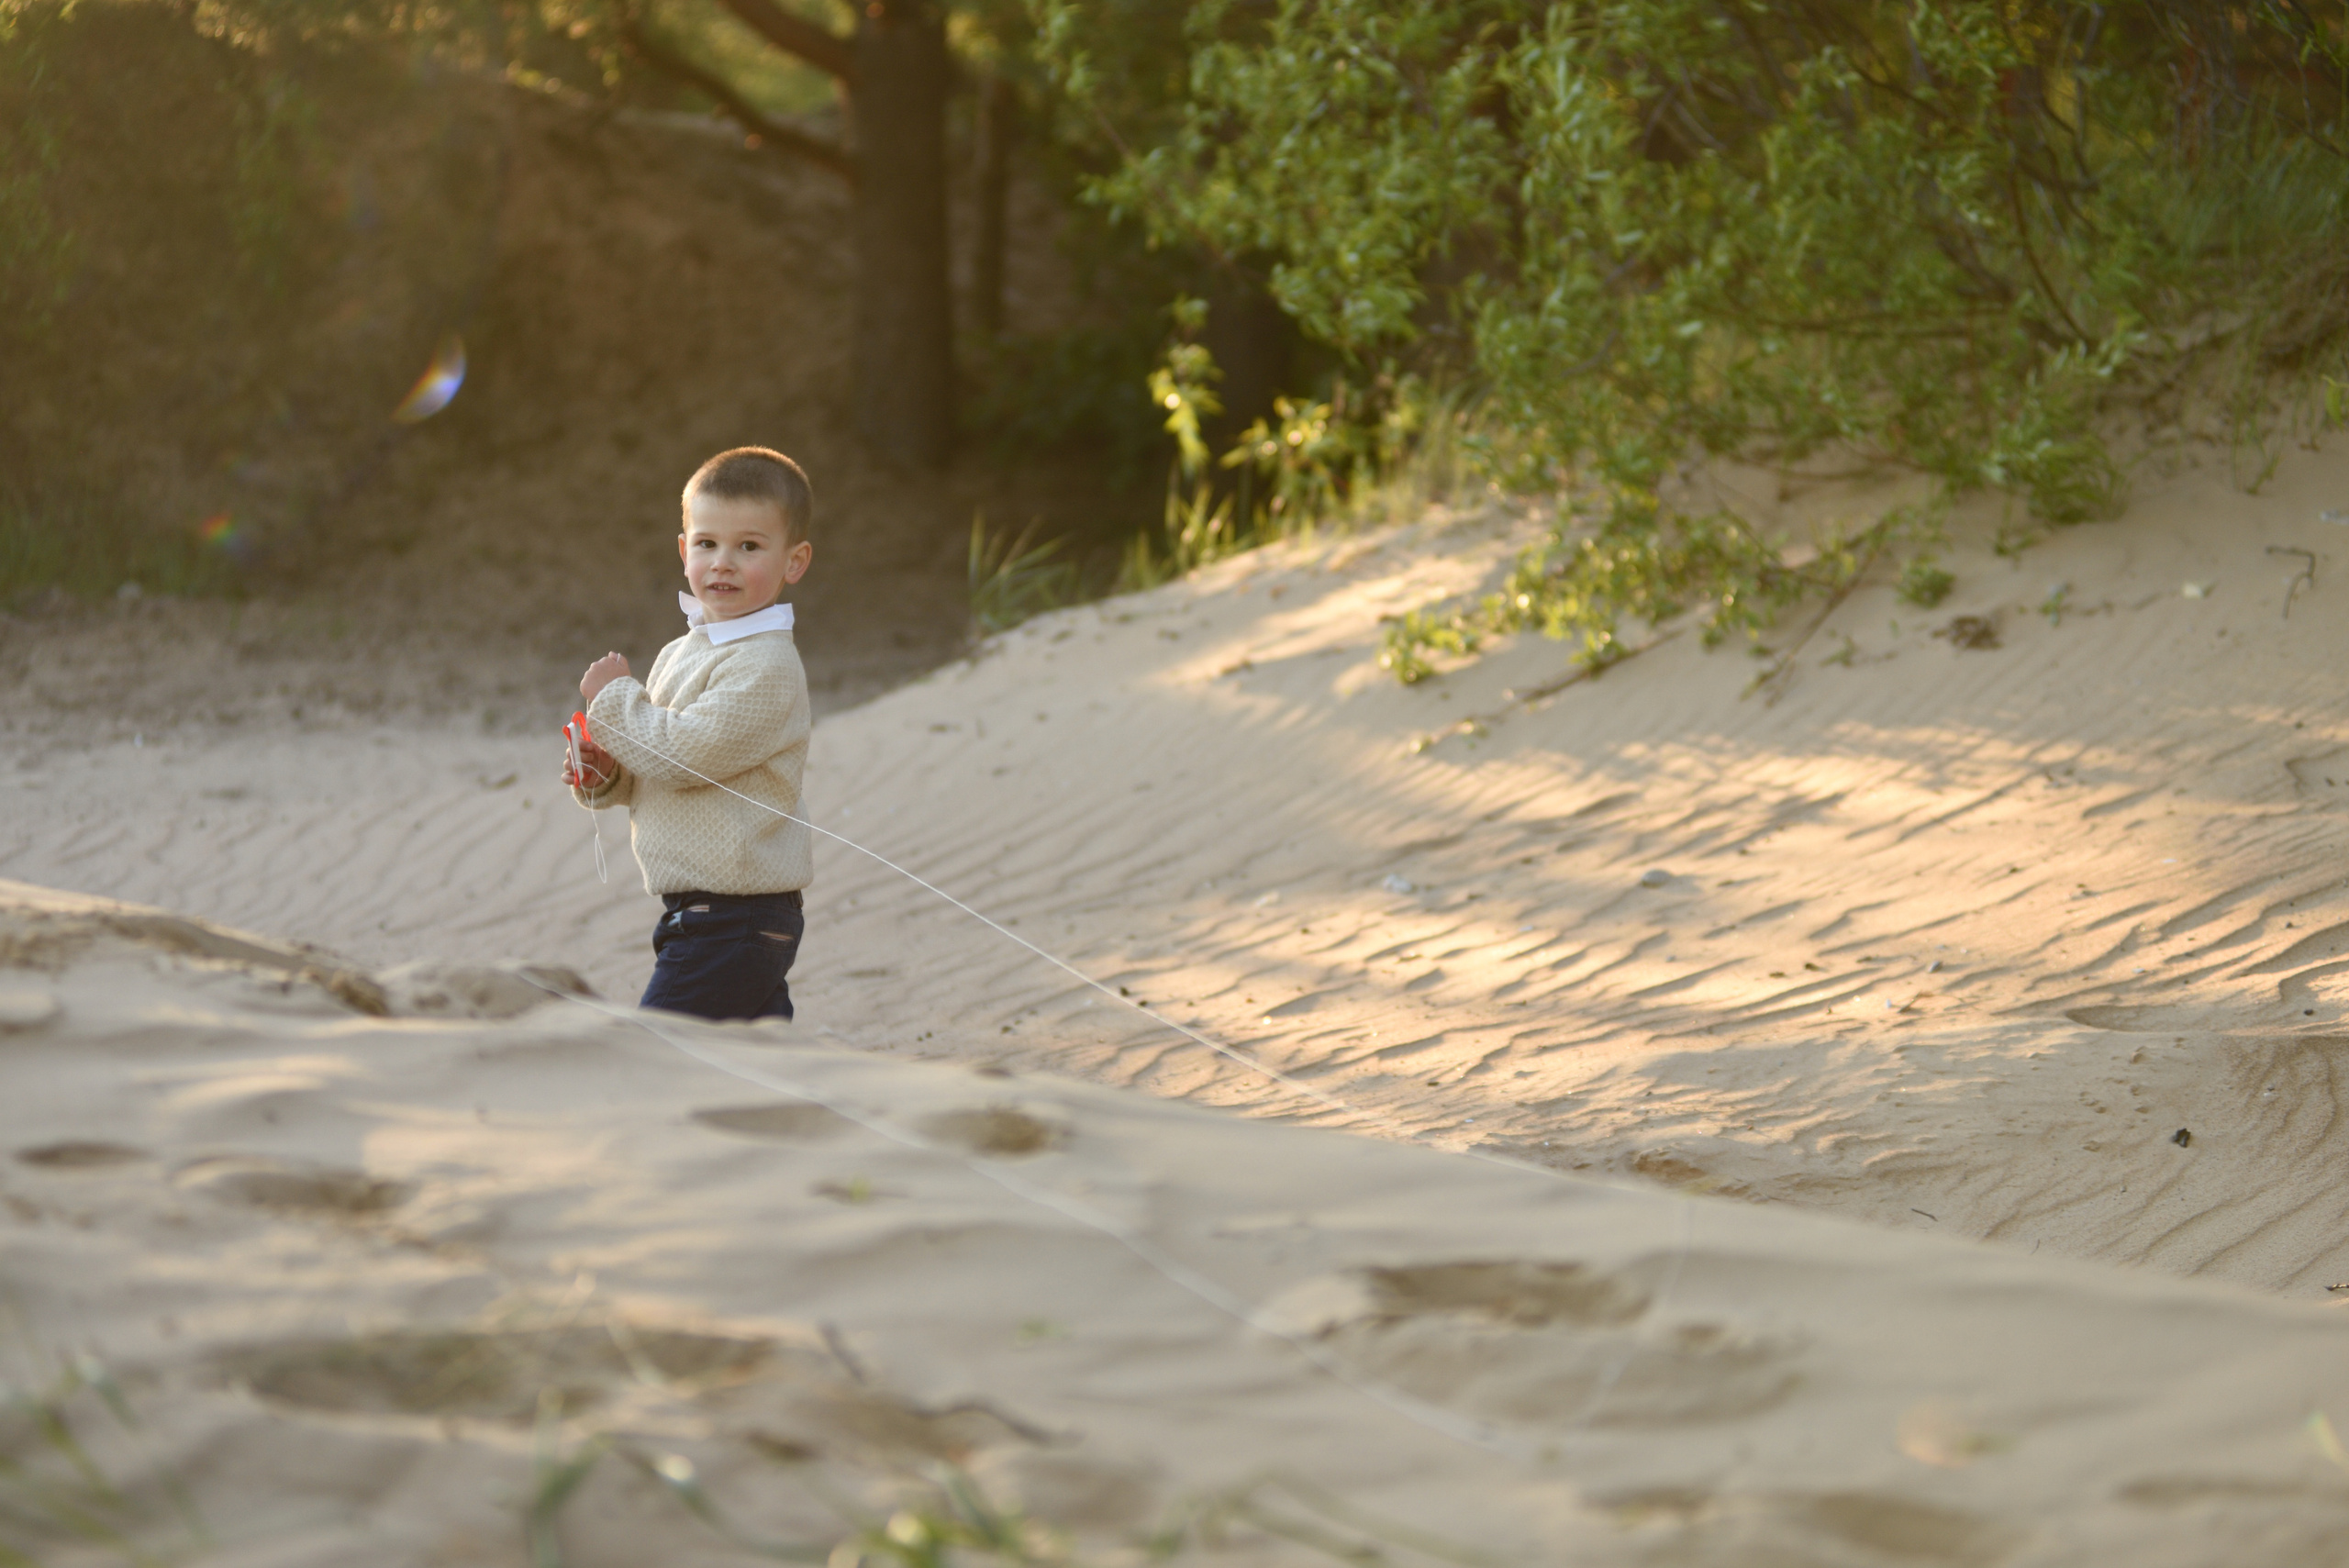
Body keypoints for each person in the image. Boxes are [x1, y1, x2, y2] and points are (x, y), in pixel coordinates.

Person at [563, 447, 815, 1021]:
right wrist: (607, 774)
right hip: (699, 911)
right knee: (748, 1059)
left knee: (659, 1047)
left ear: (794, 561)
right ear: (684, 552)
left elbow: (684, 755)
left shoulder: (767, 665)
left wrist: (613, 698)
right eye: (707, 544)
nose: (723, 563)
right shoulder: (682, 651)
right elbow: (655, 763)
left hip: (737, 914)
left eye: (748, 547)